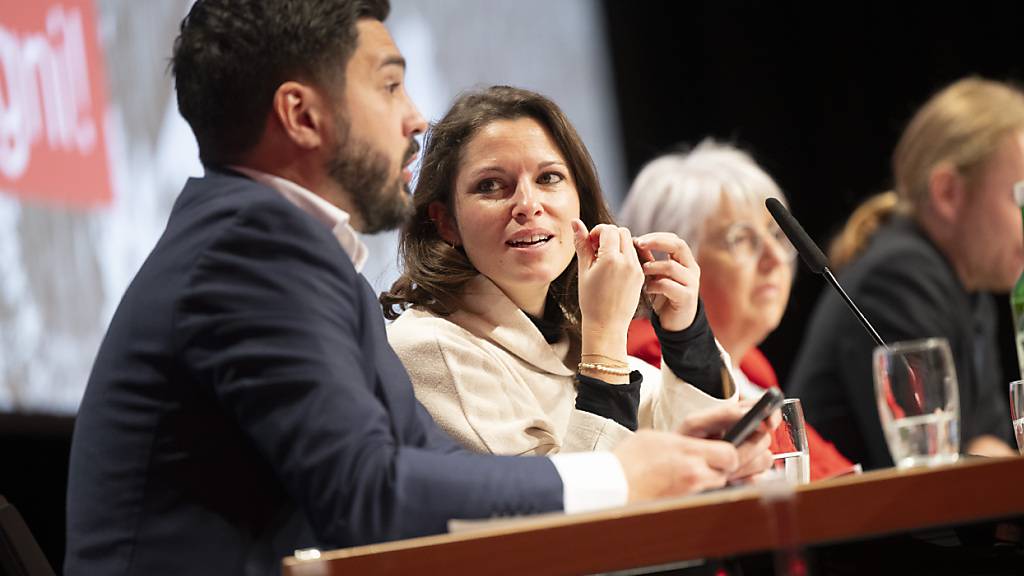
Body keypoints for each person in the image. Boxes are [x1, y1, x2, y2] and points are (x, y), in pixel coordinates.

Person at [64, 2, 768, 574]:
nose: (416, 119)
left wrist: (664, 454)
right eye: (390, 84)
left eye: (550, 179)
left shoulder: (282, 248)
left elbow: (429, 468)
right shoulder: (249, 249)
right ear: (301, 114)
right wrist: (621, 477)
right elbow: (371, 495)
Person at [380, 86, 775, 481]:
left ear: (580, 204)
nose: (528, 204)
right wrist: (604, 334)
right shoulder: (429, 346)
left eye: (549, 178)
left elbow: (689, 447)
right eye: (491, 185)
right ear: (447, 222)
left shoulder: (566, 333)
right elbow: (567, 522)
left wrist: (686, 334)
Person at [788, 77, 1023, 470]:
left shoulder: (970, 286)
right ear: (948, 193)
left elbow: (988, 441)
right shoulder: (900, 277)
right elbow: (932, 466)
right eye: (1019, 199)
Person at [620, 141, 854, 480]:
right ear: (669, 260)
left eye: (776, 234)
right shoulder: (652, 357)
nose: (776, 258)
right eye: (741, 239)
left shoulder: (751, 364)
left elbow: (835, 478)